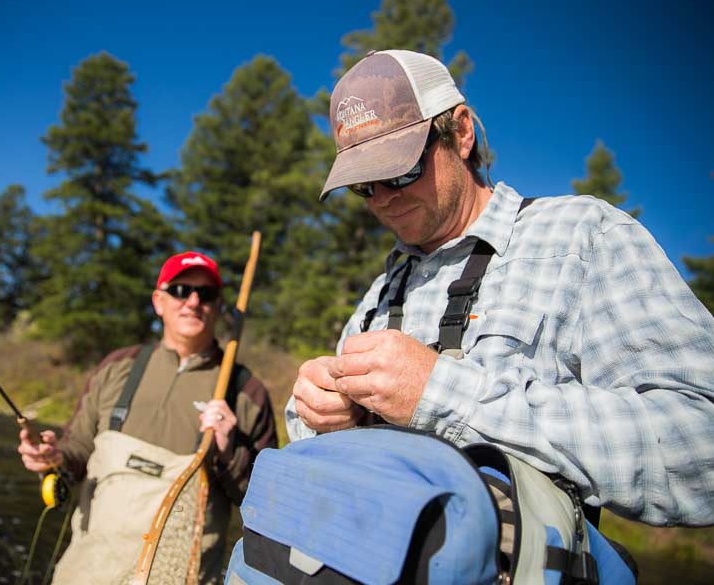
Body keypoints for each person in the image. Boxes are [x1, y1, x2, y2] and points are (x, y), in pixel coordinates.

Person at [286, 49, 714, 527]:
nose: (384, 198)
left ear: (461, 132)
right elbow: (310, 436)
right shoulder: (383, 291)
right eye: (364, 185)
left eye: (400, 170)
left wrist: (443, 395)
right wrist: (319, 411)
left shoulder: (581, 236)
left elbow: (700, 442)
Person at [19, 251, 277, 583]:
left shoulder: (247, 392)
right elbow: (78, 449)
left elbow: (266, 508)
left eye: (206, 293)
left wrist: (229, 453)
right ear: (158, 301)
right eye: (181, 291)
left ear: (218, 306)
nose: (193, 301)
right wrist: (55, 457)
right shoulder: (117, 368)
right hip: (87, 570)